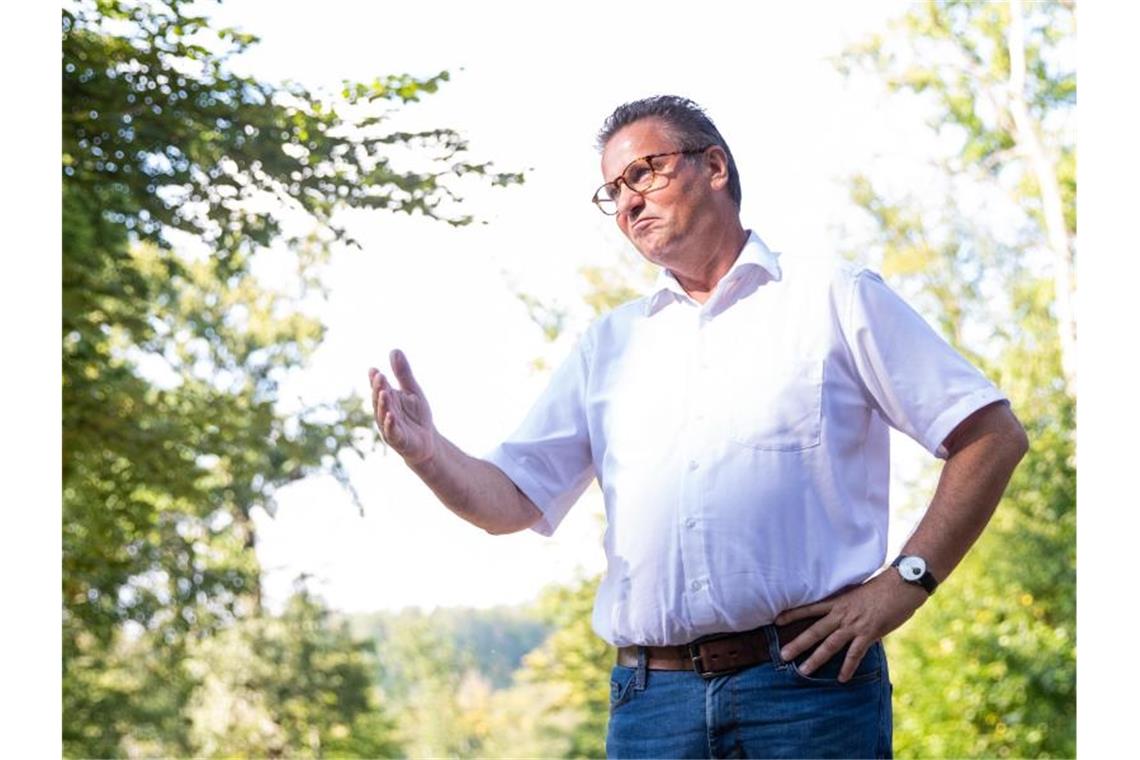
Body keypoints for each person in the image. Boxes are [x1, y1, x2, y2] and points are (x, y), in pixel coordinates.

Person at [367, 95, 1028, 759]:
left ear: (713, 166)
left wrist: (906, 582)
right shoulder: (611, 345)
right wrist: (428, 455)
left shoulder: (833, 298)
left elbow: (991, 436)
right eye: (613, 190)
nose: (627, 202)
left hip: (809, 694)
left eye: (644, 173)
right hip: (653, 707)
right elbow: (510, 500)